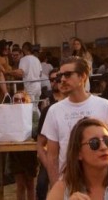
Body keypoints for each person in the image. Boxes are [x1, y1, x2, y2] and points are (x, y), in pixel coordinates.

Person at [40, 57, 108, 184]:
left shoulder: (103, 105)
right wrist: (57, 188)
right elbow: (52, 156)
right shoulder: (54, 111)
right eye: (60, 75)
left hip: (102, 181)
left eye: (68, 75)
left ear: (82, 76)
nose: (62, 79)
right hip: (68, 183)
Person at [37, 68, 67, 199]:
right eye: (52, 80)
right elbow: (40, 143)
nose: (56, 82)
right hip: (52, 155)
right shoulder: (47, 107)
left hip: (70, 158)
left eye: (58, 79)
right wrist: (49, 164)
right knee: (41, 184)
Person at [9, 90, 40, 200]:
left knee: (30, 184)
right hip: (15, 152)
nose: (19, 102)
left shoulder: (33, 114)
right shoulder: (9, 115)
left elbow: (36, 130)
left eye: (22, 99)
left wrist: (24, 127)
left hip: (29, 152)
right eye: (16, 99)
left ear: (27, 101)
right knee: (20, 185)